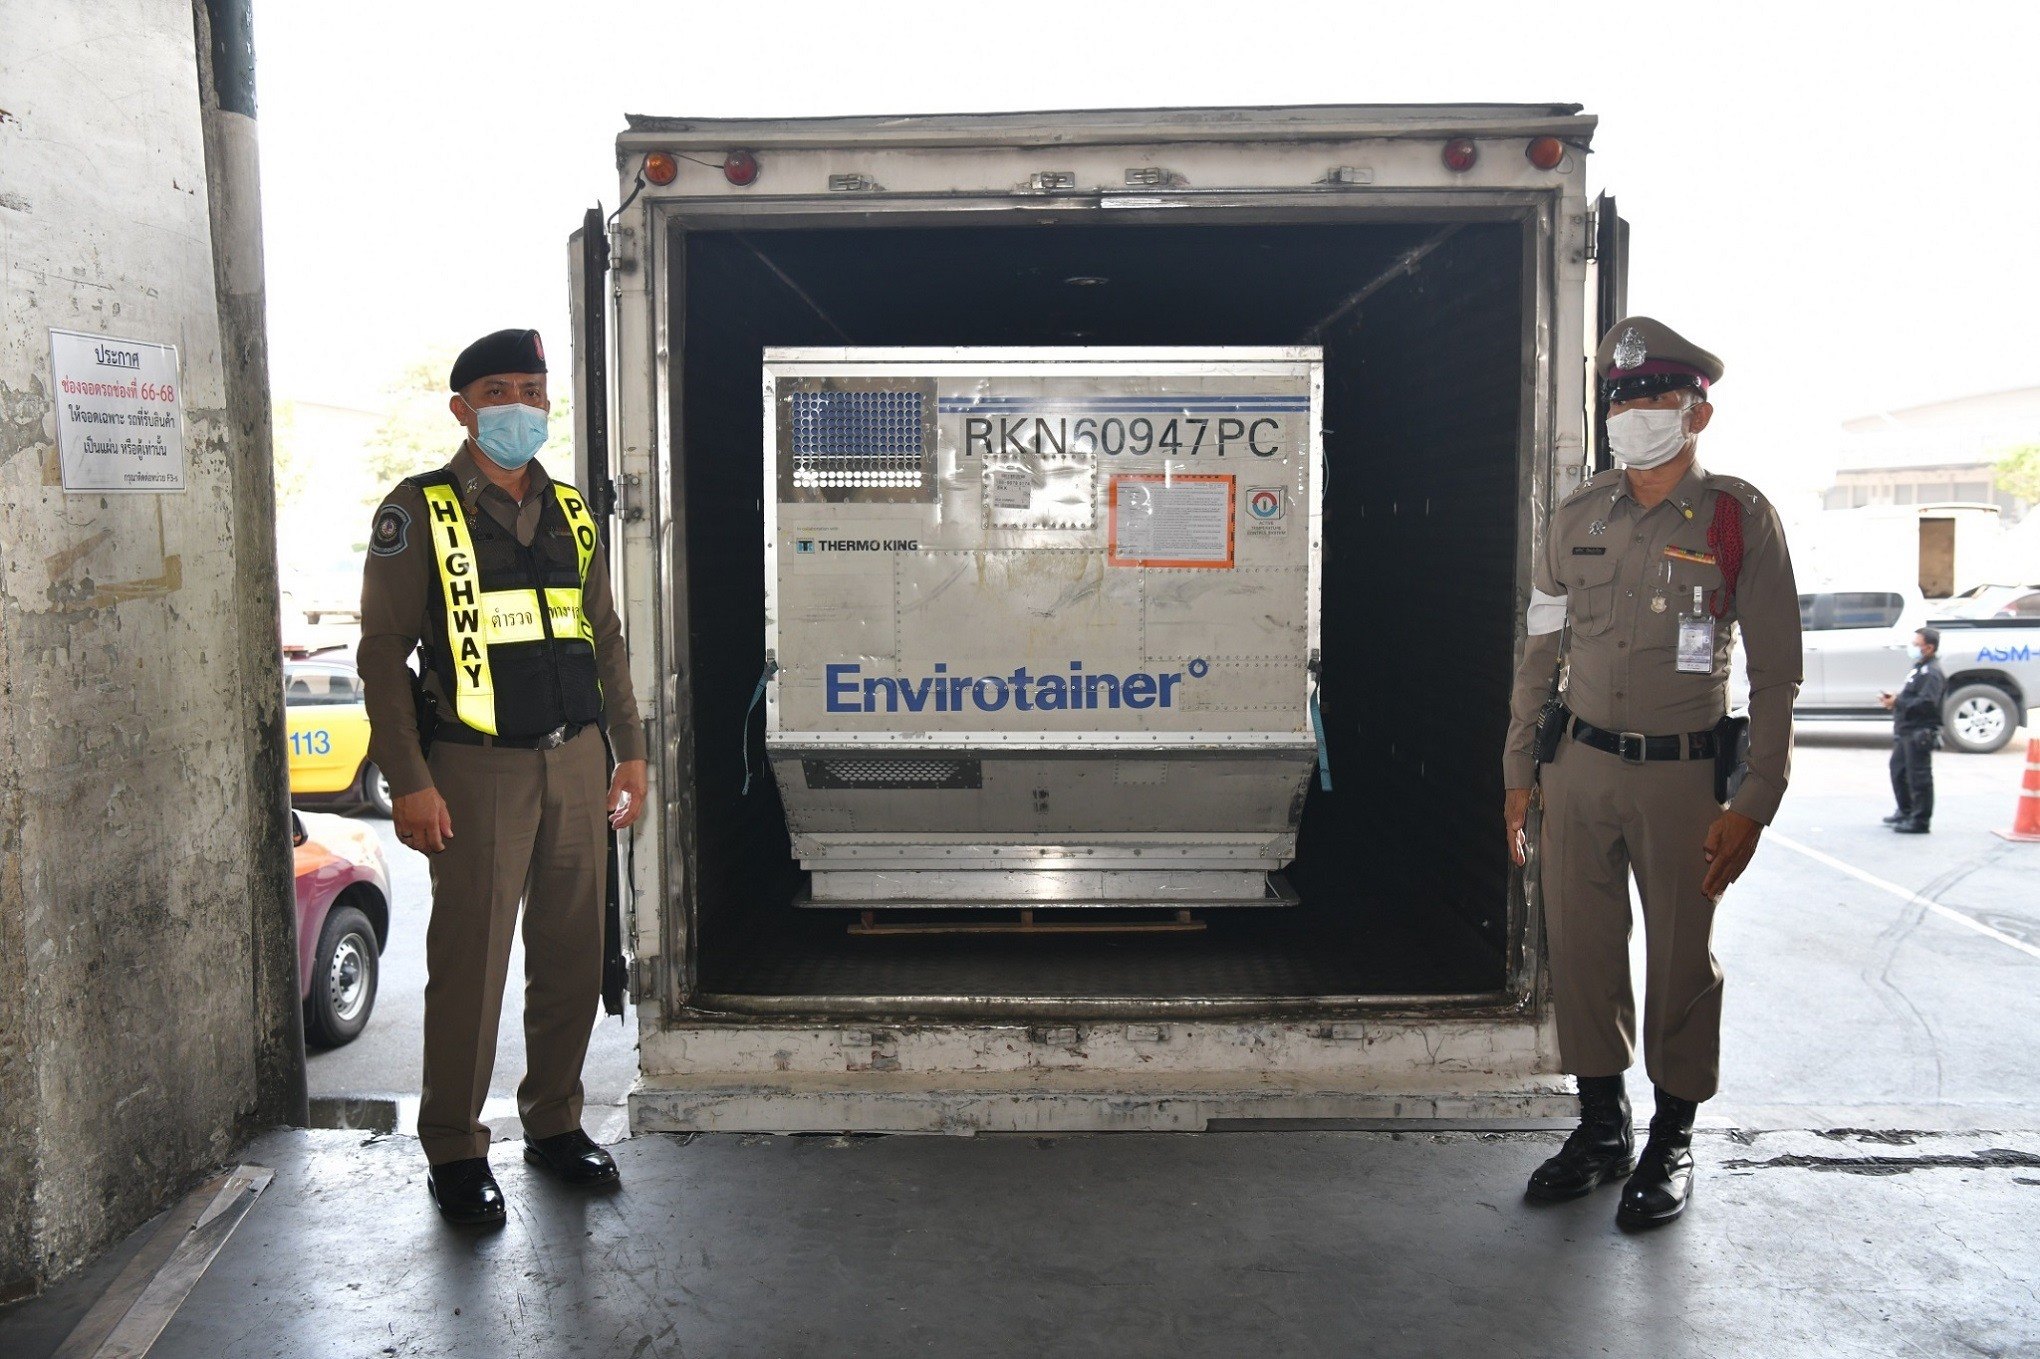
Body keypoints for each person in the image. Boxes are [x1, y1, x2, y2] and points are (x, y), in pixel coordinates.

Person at [1501, 317, 1802, 1229]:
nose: (1632, 413)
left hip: (1684, 781)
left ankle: (1673, 1135)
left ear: (1696, 411)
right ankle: (1600, 1125)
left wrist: (1757, 797)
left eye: (1651, 397)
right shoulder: (1577, 516)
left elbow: (1778, 671)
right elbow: (1538, 652)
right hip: (1580, 768)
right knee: (1583, 951)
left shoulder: (1736, 517)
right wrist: (1518, 765)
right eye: (1620, 399)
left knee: (1679, 956)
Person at [358, 328, 648, 1226]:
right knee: (471, 968)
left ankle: (556, 1122)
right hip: (474, 770)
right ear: (462, 408)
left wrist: (629, 747)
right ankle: (453, 1145)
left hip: (575, 760)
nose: (520, 405)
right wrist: (408, 778)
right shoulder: (421, 511)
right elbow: (380, 656)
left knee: (568, 957)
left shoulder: (571, 511)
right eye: (499, 390)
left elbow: (604, 636)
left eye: (533, 388)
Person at [1880, 628, 1944, 833]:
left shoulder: (1932, 672)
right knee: (1899, 771)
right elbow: (1912, 694)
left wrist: (1899, 702)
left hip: (1919, 731)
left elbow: (1927, 702)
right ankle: (1905, 810)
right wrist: (1896, 699)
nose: (1913, 647)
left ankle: (1920, 821)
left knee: (1919, 777)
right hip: (1906, 729)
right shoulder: (1919, 668)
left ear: (1929, 647)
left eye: (1917, 644)